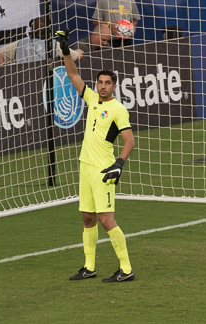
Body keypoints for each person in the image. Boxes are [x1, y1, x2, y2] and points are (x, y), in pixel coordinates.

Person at [57, 30, 135, 282]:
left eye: (107, 83)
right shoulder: (91, 98)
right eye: (100, 82)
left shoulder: (118, 109)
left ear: (114, 86)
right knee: (87, 217)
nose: (102, 86)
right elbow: (72, 74)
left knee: (106, 219)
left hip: (104, 169)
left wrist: (119, 164)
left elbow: (129, 141)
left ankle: (126, 269)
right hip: (86, 166)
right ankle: (89, 267)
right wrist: (66, 51)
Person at [0, 16, 80, 66]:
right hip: (44, 85)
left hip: (21, 83)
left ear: (32, 29)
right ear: (48, 30)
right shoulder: (53, 45)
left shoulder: (20, 44)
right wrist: (79, 51)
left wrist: (4, 74)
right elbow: (76, 57)